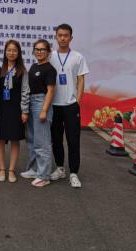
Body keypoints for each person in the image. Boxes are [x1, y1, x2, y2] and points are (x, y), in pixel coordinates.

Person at [49, 24, 89, 188]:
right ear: (56, 37)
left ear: (71, 38)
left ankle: (73, 173)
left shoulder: (78, 57)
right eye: (60, 35)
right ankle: (60, 168)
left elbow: (81, 80)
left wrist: (77, 101)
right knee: (56, 139)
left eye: (66, 35)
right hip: (53, 104)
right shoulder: (50, 56)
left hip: (71, 105)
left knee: (73, 140)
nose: (63, 38)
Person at [20, 39, 57, 187]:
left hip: (41, 103)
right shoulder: (34, 66)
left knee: (42, 142)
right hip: (31, 102)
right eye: (37, 49)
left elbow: (51, 91)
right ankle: (35, 169)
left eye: (42, 49)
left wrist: (44, 110)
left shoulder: (50, 69)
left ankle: (44, 175)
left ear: (48, 52)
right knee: (32, 140)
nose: (39, 52)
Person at [0, 40, 29, 183]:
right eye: (9, 50)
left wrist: (24, 111)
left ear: (18, 53)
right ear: (5, 52)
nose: (11, 53)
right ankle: (2, 169)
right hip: (1, 109)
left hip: (16, 110)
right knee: (0, 140)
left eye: (14, 50)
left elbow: (25, 91)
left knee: (15, 140)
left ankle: (11, 170)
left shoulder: (22, 71)